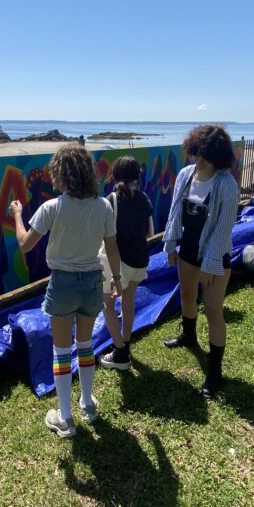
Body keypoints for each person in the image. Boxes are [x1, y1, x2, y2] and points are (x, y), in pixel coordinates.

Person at [10, 144, 121, 438]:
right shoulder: (103, 206)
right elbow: (111, 247)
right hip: (93, 282)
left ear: (59, 173)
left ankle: (65, 418)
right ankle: (87, 403)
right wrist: (117, 280)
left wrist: (17, 215)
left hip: (63, 283)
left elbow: (25, 244)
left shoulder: (53, 208)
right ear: (88, 172)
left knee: (61, 351)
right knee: (85, 346)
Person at [161, 125, 241, 399]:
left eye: (207, 155)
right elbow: (174, 213)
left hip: (216, 257)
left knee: (214, 310)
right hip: (188, 251)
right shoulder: (185, 175)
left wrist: (210, 263)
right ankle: (188, 336)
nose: (201, 159)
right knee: (186, 297)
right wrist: (171, 244)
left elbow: (223, 228)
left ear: (219, 156)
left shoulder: (227, 184)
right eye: (198, 152)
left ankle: (215, 371)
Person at [98, 156, 154, 371]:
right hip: (139, 260)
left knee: (108, 305)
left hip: (117, 263)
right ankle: (126, 343)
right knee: (128, 304)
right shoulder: (144, 199)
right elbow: (150, 232)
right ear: (137, 176)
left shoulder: (110, 200)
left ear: (115, 175)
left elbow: (104, 236)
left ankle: (120, 352)